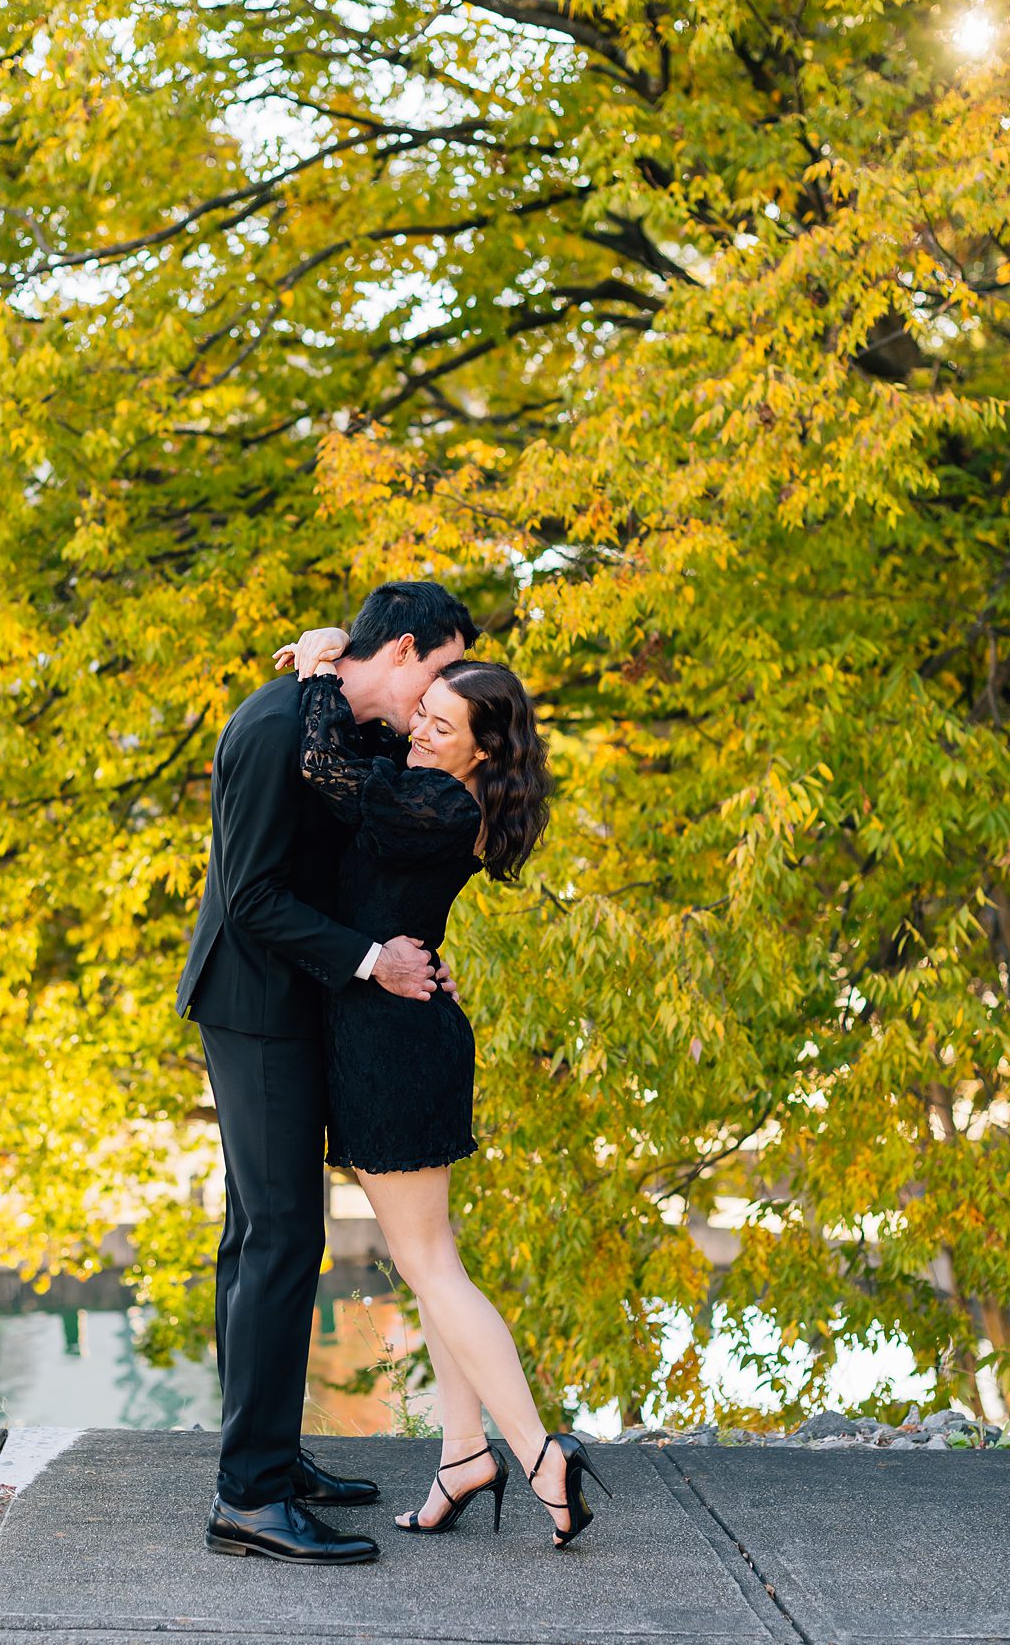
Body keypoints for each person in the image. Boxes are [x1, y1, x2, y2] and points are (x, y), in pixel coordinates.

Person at [278, 624, 613, 1550]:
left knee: (430, 1266)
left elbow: (331, 770)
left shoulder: (432, 804)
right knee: (436, 1259)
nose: (418, 729)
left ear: (483, 746)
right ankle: (464, 1455)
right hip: (403, 1033)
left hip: (390, 1048)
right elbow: (373, 777)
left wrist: (317, 671)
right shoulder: (448, 798)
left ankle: (541, 1457)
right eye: (420, 711)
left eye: (440, 722)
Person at [175, 580, 477, 1566]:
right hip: (256, 1011)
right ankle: (249, 1499)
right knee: (281, 1238)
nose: (446, 692)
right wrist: (372, 961)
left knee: (254, 1236)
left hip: (294, 1005)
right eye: (439, 669)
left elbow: (373, 846)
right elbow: (253, 897)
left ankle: (266, 1457)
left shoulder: (347, 727)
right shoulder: (272, 729)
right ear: (399, 650)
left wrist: (408, 944)